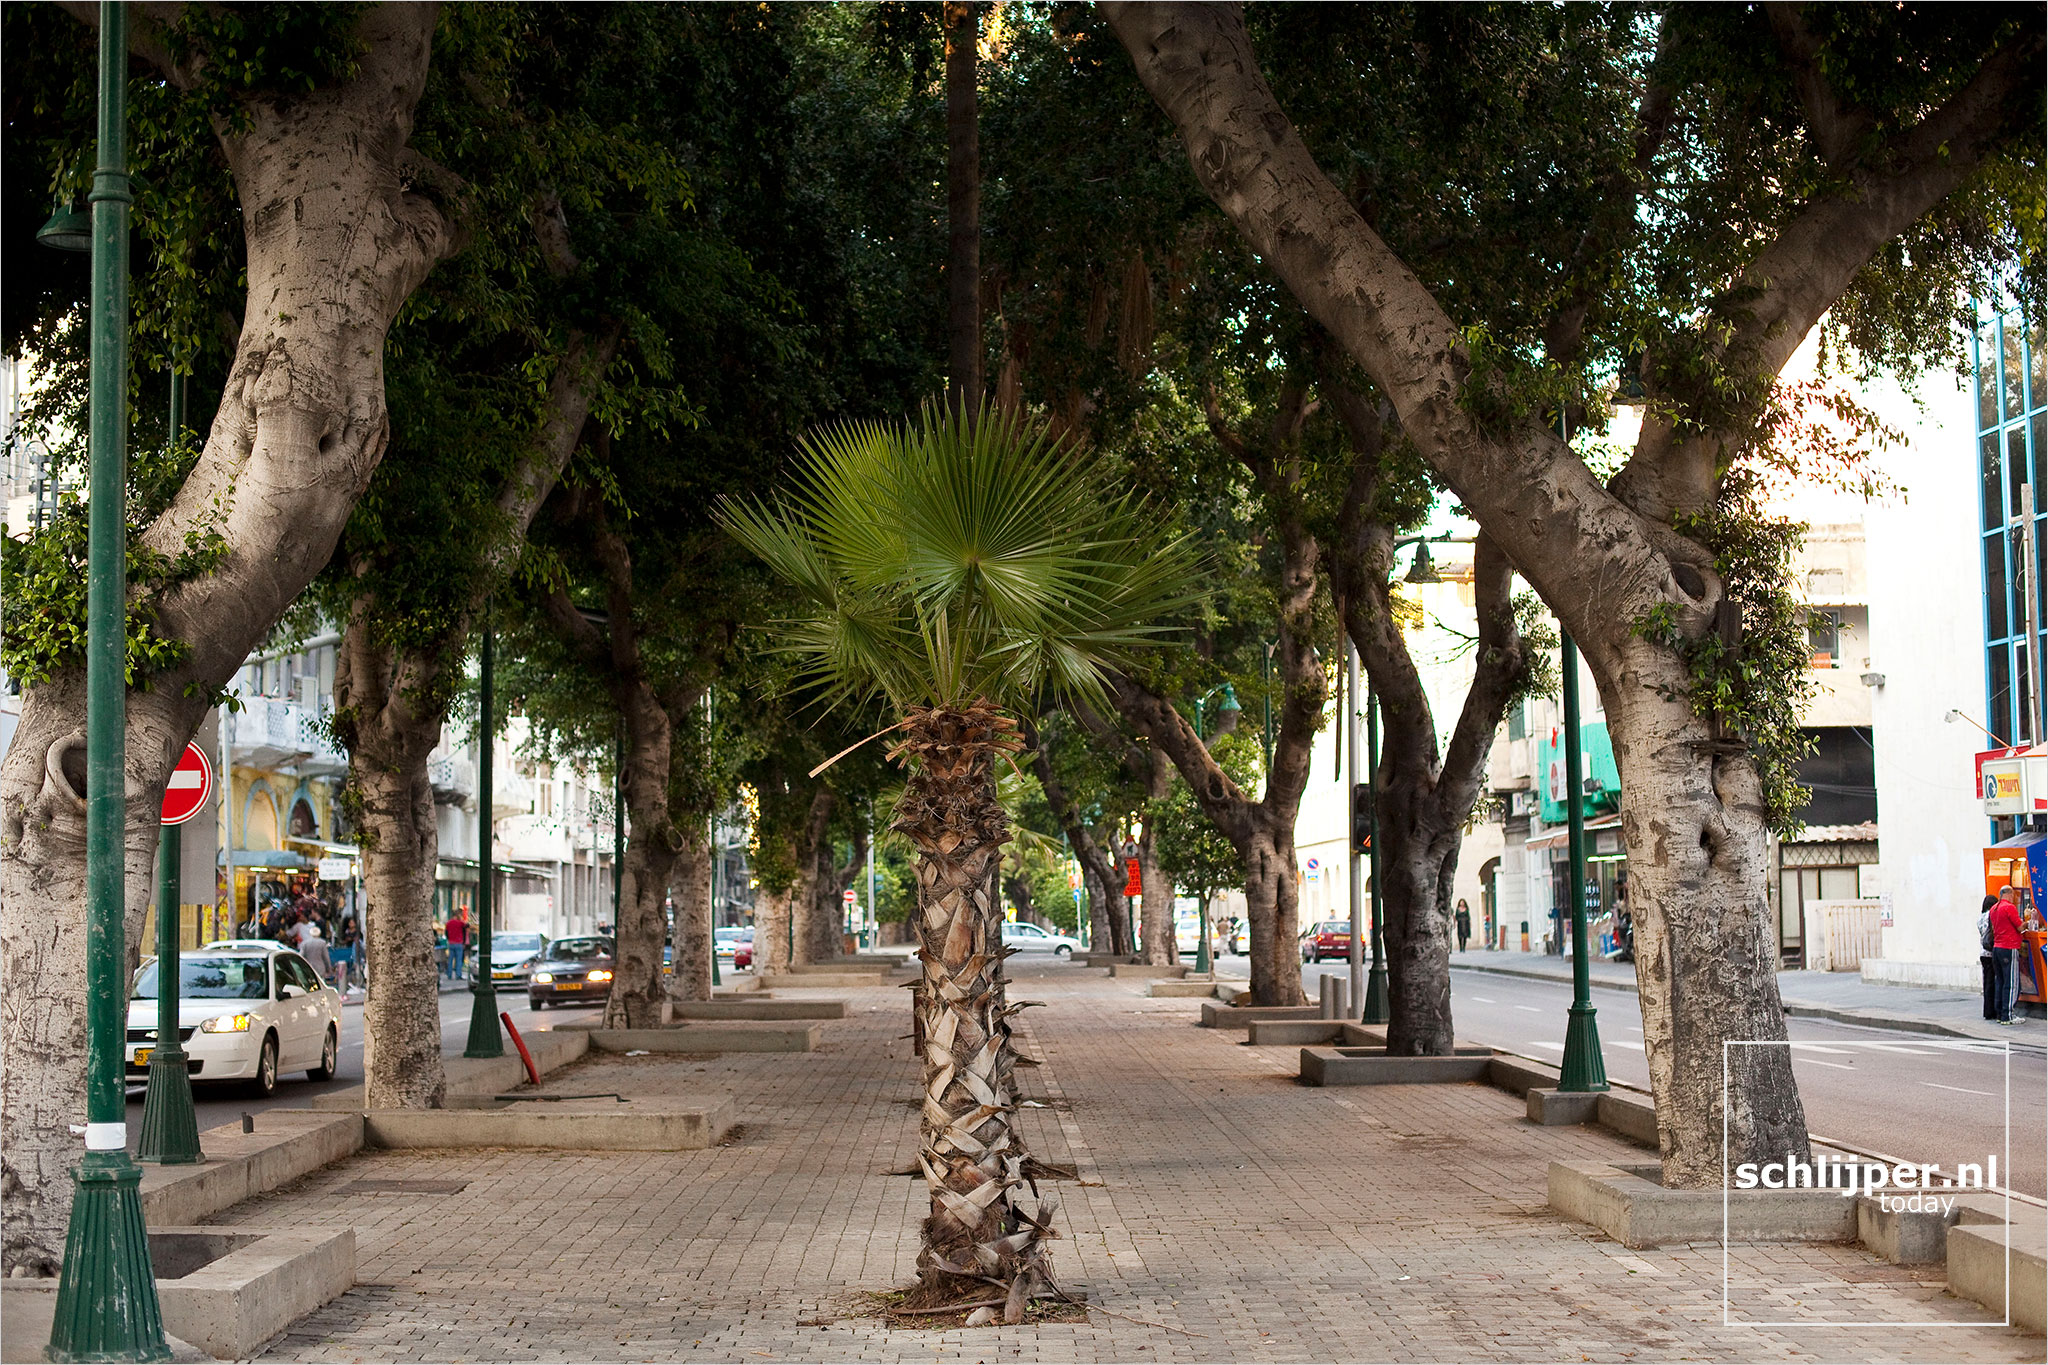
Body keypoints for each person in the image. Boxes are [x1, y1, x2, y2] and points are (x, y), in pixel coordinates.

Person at [1990, 885, 2024, 1025]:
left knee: (2000, 981)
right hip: (2009, 947)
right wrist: (2028, 922)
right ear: (2009, 894)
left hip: (1996, 948)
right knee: (2011, 982)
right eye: (2013, 895)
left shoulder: (1994, 908)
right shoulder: (2009, 908)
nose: (2014, 898)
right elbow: (2020, 927)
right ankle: (2008, 1015)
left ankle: (1999, 1013)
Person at [332, 915, 361, 994]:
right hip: (348, 949)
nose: (351, 924)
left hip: (354, 950)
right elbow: (344, 939)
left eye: (352, 922)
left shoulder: (357, 932)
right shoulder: (347, 931)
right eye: (350, 922)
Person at [299, 922, 332, 988]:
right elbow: (326, 957)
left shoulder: (305, 943)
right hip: (320, 968)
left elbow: (301, 956)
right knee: (321, 985)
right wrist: (329, 968)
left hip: (309, 968)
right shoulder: (322, 943)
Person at [445, 907, 469, 980]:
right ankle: (458, 975)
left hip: (451, 943)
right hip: (459, 943)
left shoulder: (448, 923)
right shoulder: (460, 923)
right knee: (458, 960)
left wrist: (449, 939)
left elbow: (446, 933)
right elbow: (467, 926)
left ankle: (449, 974)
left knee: (450, 960)